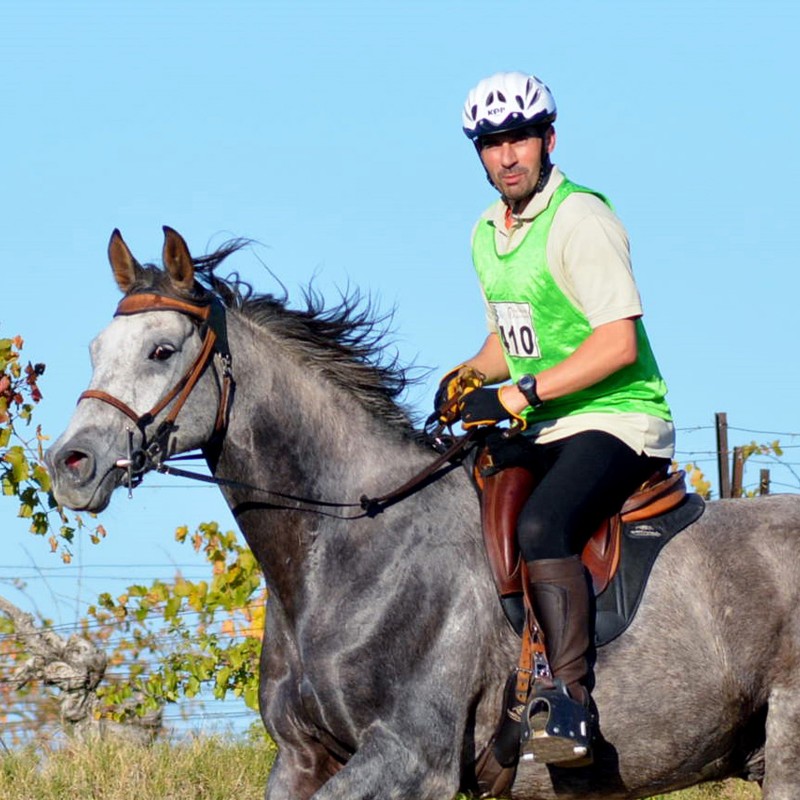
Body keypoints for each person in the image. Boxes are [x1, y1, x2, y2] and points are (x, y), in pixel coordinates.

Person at [434, 71, 675, 765]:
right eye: (491, 143)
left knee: (543, 523)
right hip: (543, 427)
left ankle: (566, 703)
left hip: (618, 419)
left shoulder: (582, 220)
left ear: (548, 139)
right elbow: (505, 345)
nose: (507, 157)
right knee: (465, 499)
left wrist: (520, 394)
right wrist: (467, 379)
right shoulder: (487, 232)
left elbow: (617, 342)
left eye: (519, 139)